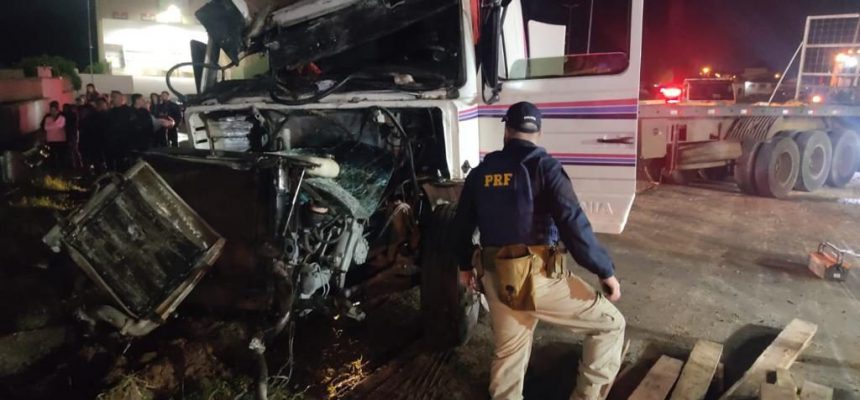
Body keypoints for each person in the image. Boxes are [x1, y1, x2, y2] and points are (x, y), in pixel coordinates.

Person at [453, 102, 625, 400]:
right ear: (538, 133)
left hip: (497, 278)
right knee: (610, 325)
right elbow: (573, 225)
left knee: (510, 353)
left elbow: (460, 226)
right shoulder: (546, 168)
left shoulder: (481, 173)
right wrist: (604, 270)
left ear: (507, 131)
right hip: (540, 281)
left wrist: (465, 266)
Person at [79, 98, 109, 172]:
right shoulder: (103, 115)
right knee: (99, 162)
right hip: (98, 144)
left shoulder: (89, 116)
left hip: (91, 143)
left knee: (94, 162)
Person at [42, 101, 68, 170]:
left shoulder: (62, 118)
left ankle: (61, 169)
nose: (52, 112)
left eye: (54, 110)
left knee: (61, 156)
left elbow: (60, 125)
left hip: (60, 140)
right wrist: (55, 125)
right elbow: (46, 127)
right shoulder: (47, 118)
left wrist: (52, 125)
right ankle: (53, 169)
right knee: (52, 156)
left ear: (57, 110)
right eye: (51, 110)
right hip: (51, 140)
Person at [62, 103, 83, 169]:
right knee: (74, 149)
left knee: (73, 149)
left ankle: (75, 164)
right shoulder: (74, 115)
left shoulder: (69, 115)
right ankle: (77, 164)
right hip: (72, 133)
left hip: (71, 134)